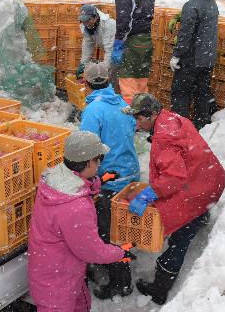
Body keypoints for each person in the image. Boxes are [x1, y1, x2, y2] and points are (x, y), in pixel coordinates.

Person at [122, 93, 225, 305]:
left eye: (137, 117)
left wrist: (148, 194)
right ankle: (201, 216)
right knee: (193, 216)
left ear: (150, 115)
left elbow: (174, 180)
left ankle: (160, 289)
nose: (135, 122)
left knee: (180, 238)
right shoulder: (173, 119)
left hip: (197, 189)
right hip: (210, 179)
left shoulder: (163, 139)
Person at [28, 131, 136, 312]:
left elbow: (77, 186)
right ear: (88, 163)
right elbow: (92, 251)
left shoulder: (54, 177)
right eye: (98, 159)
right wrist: (119, 253)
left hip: (53, 268)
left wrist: (99, 180)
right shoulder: (76, 208)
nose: (100, 163)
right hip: (58, 279)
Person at [78, 62, 141, 299]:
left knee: (108, 232)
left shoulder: (93, 111)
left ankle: (121, 282)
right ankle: (120, 258)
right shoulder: (122, 104)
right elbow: (129, 132)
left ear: (85, 84)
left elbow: (87, 148)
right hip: (130, 175)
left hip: (110, 179)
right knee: (121, 226)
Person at [169, 0, 218, 130]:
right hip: (207, 59)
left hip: (192, 59)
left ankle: (179, 130)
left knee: (180, 95)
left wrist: (176, 55)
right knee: (201, 94)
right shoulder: (211, 2)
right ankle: (201, 127)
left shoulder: (192, 5)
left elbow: (185, 35)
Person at [113, 0, 155, 105]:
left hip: (132, 40)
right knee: (141, 82)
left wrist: (119, 41)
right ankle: (145, 117)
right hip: (146, 39)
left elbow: (125, 17)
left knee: (128, 82)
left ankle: (131, 121)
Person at [76, 4, 116, 79]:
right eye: (83, 20)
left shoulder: (108, 25)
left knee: (116, 78)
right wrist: (83, 63)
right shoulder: (87, 27)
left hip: (122, 53)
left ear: (95, 17)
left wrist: (103, 71)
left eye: (88, 20)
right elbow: (88, 45)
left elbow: (110, 50)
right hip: (112, 53)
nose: (86, 23)